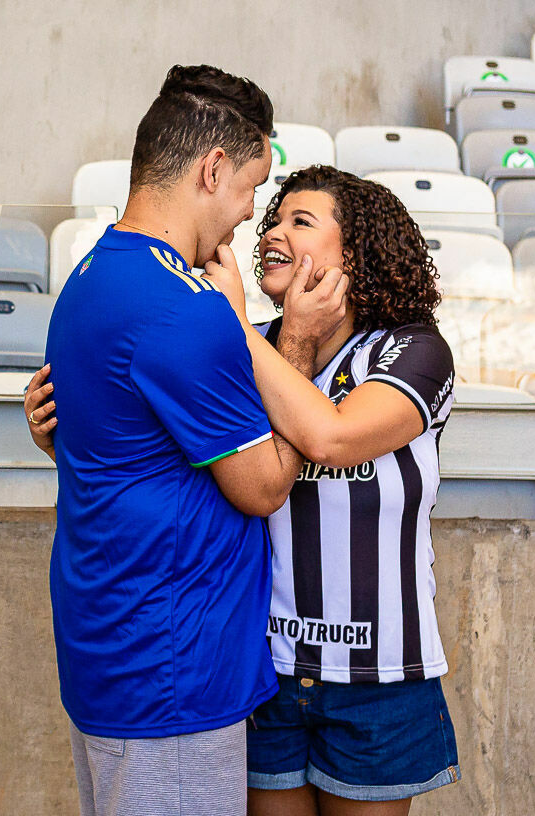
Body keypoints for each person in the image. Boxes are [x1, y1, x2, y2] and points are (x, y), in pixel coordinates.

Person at [29, 164, 460, 814]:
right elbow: (168, 454)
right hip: (265, 671)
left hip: (378, 680)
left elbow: (332, 438)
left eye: (301, 221)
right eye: (274, 218)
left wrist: (233, 319)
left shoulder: (413, 351)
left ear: (358, 249)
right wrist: (66, 430)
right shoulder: (256, 343)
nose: (271, 232)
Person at [40, 65, 303, 816]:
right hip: (172, 673)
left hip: (111, 654)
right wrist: (304, 350)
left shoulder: (89, 277)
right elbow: (263, 487)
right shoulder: (184, 309)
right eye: (252, 186)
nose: (251, 215)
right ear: (212, 168)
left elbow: (102, 446)